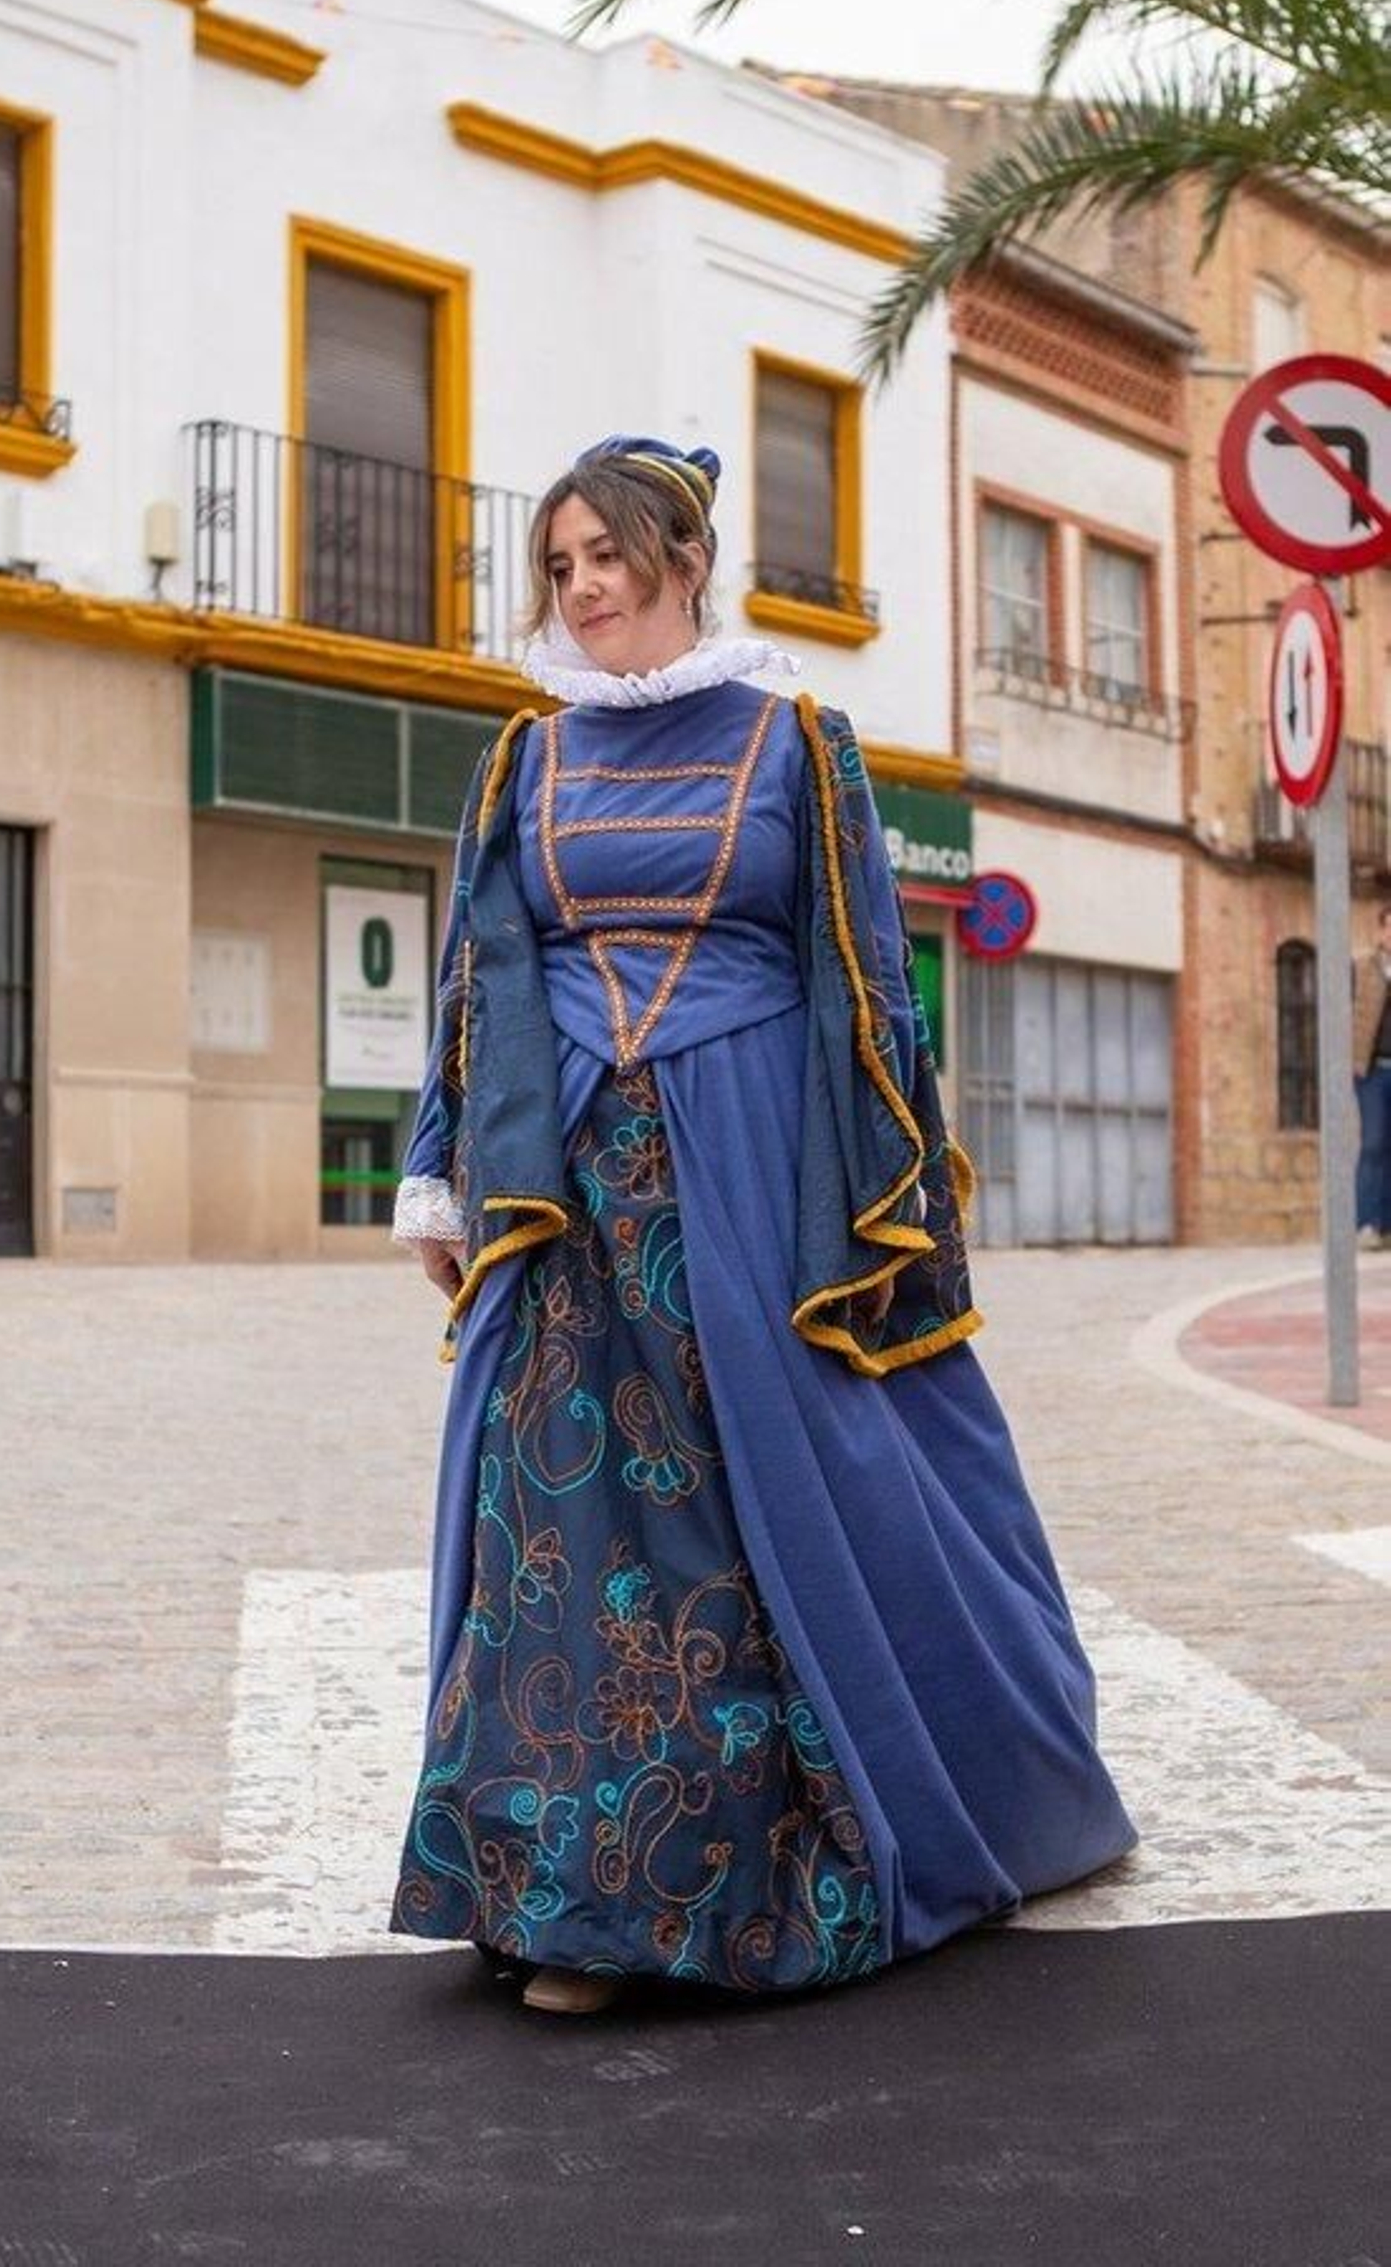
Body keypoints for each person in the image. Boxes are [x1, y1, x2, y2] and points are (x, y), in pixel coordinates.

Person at [386, 435, 1135, 2015]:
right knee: (568, 1526)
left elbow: (868, 980)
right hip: (565, 1178)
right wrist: (440, 1167)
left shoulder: (801, 741)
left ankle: (773, 1860)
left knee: (772, 1501)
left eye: (607, 557)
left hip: (748, 1166)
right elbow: (479, 967)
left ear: (681, 558)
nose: (582, 588)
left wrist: (883, 1203)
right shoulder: (525, 757)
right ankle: (573, 1892)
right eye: (561, 563)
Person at [1352, 901, 1391, 1247]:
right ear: (1381, 931)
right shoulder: (1362, 967)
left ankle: (1387, 1226)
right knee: (1374, 1144)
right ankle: (1367, 1223)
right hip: (1373, 1070)